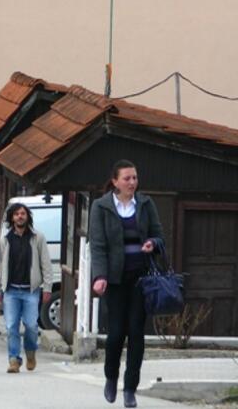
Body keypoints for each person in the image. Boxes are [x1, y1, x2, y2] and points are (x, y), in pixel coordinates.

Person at [89, 160, 163, 408]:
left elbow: (159, 235)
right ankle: (111, 376)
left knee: (136, 334)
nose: (132, 183)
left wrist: (153, 243)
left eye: (135, 178)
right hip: (115, 280)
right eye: (127, 178)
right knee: (115, 334)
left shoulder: (145, 204)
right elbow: (97, 245)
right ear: (115, 181)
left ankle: (130, 388)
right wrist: (99, 277)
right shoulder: (100, 207)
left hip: (140, 279)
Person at [0, 202, 53, 374]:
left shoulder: (37, 238)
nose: (20, 216)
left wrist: (47, 287)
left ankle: (31, 352)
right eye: (17, 214)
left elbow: (46, 265)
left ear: (28, 217)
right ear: (12, 218)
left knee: (31, 326)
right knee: (11, 326)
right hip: (10, 291)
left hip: (31, 291)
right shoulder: (5, 240)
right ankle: (14, 360)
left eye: (23, 214)